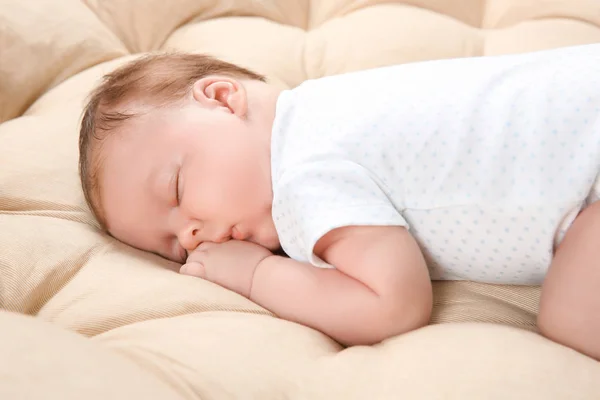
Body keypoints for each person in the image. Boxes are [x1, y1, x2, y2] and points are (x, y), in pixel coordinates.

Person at [78, 44, 600, 359]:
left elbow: (392, 305)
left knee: (571, 318)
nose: (192, 236)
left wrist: (254, 275)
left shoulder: (301, 173)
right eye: (173, 246)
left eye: (175, 190)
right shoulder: (330, 103)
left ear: (221, 98)